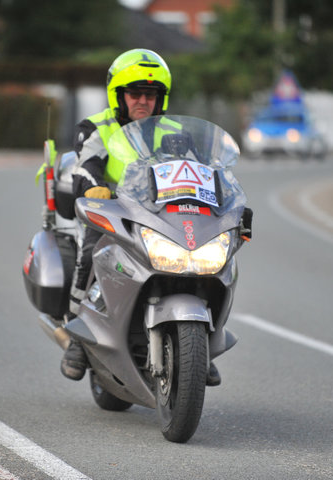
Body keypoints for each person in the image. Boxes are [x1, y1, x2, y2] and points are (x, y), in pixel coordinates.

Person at [60, 48, 221, 387]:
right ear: (118, 95)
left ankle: (202, 343)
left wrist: (222, 192)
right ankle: (76, 335)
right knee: (90, 250)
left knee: (209, 255)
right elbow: (84, 167)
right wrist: (93, 187)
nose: (143, 101)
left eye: (151, 94)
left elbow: (202, 170)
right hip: (116, 213)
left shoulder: (177, 131)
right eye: (135, 93)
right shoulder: (96, 128)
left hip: (164, 214)